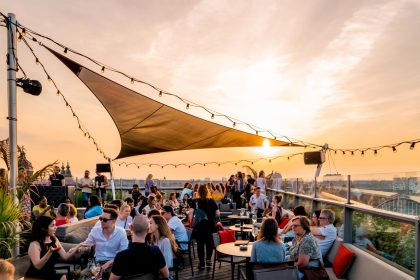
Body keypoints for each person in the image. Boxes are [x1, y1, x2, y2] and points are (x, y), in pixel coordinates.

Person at [109, 215, 169, 280]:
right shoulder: (155, 251)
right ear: (148, 230)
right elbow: (166, 275)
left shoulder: (121, 256)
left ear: (131, 228)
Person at [81, 208, 129, 278]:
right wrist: (77, 248)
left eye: (105, 220)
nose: (101, 221)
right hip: (96, 264)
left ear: (114, 221)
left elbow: (124, 254)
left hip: (113, 263)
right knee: (81, 276)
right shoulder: (95, 230)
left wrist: (109, 263)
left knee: (113, 276)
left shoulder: (121, 232)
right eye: (101, 218)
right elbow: (87, 243)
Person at [191, 184, 220, 270]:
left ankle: (202, 263)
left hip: (199, 227)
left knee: (200, 245)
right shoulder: (211, 201)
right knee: (209, 244)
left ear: (198, 192)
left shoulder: (195, 201)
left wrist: (191, 221)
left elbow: (190, 213)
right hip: (210, 226)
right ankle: (208, 261)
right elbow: (217, 213)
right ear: (207, 192)